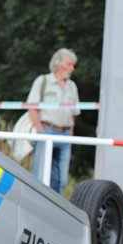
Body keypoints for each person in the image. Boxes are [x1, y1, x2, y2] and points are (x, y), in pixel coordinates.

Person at [26, 48, 80, 195]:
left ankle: (56, 214)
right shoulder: (43, 81)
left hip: (65, 135)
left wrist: (70, 133)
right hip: (47, 131)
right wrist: (41, 131)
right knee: (41, 176)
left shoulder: (72, 86)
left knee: (61, 180)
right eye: (69, 64)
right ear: (58, 64)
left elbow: (74, 112)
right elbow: (32, 107)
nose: (72, 68)